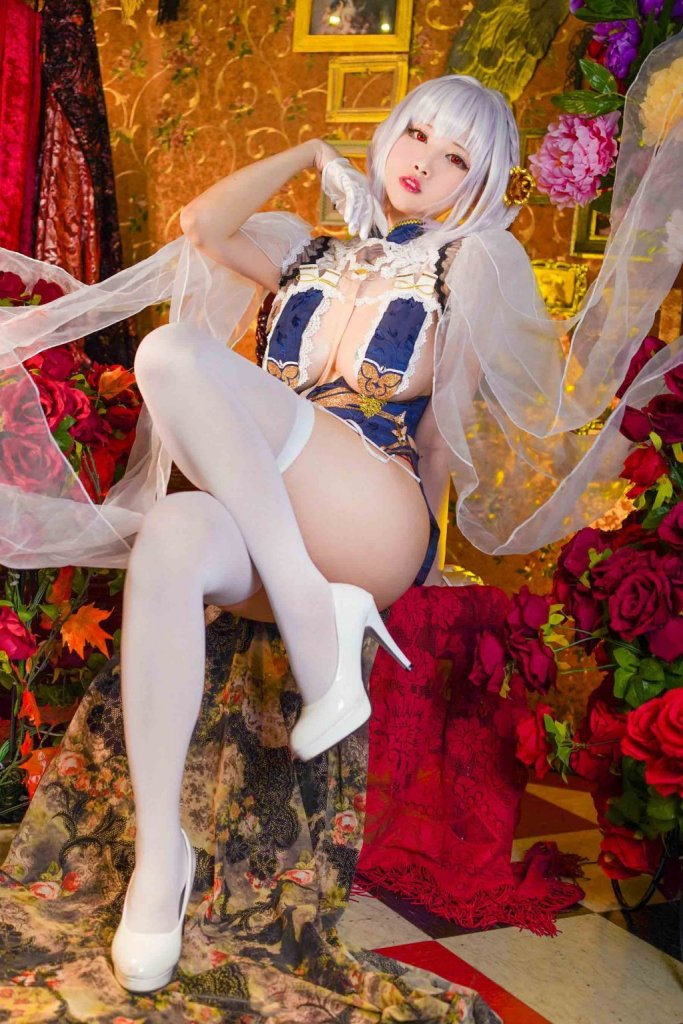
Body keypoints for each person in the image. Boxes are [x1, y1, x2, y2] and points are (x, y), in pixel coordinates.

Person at [0, 33, 681, 999]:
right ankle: (161, 859)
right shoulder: (301, 248)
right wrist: (310, 152)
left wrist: (430, 559)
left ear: (478, 184)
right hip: (273, 515)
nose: (424, 164)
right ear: (387, 132)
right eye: (417, 135)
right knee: (172, 539)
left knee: (171, 356)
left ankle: (320, 626)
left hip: (373, 509)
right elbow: (203, 222)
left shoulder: (470, 262)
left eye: (456, 159)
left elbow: (441, 436)